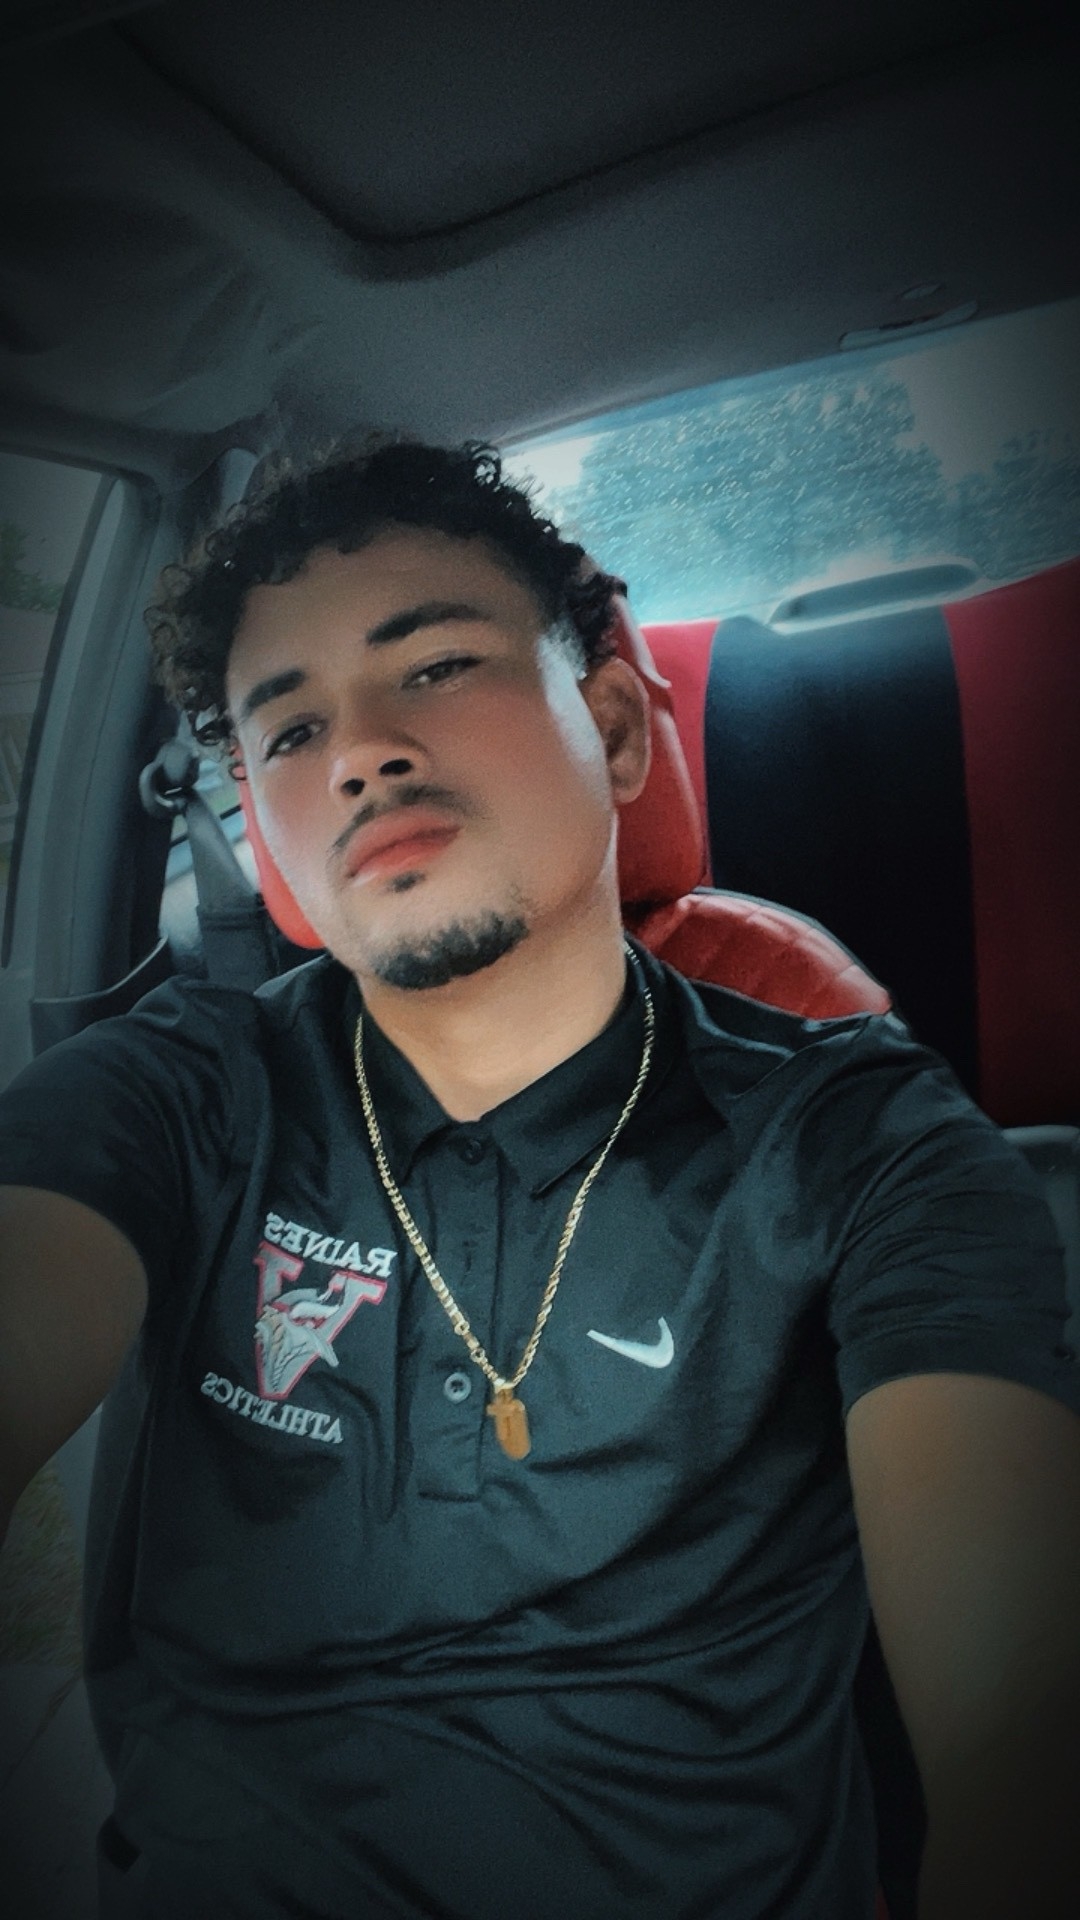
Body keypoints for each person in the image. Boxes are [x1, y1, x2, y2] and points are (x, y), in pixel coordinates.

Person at [0, 438, 1078, 1920]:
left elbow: (1024, 1728)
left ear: (617, 728)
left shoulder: (859, 1137)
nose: (362, 751)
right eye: (292, 726)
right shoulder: (179, 1091)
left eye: (436, 665)